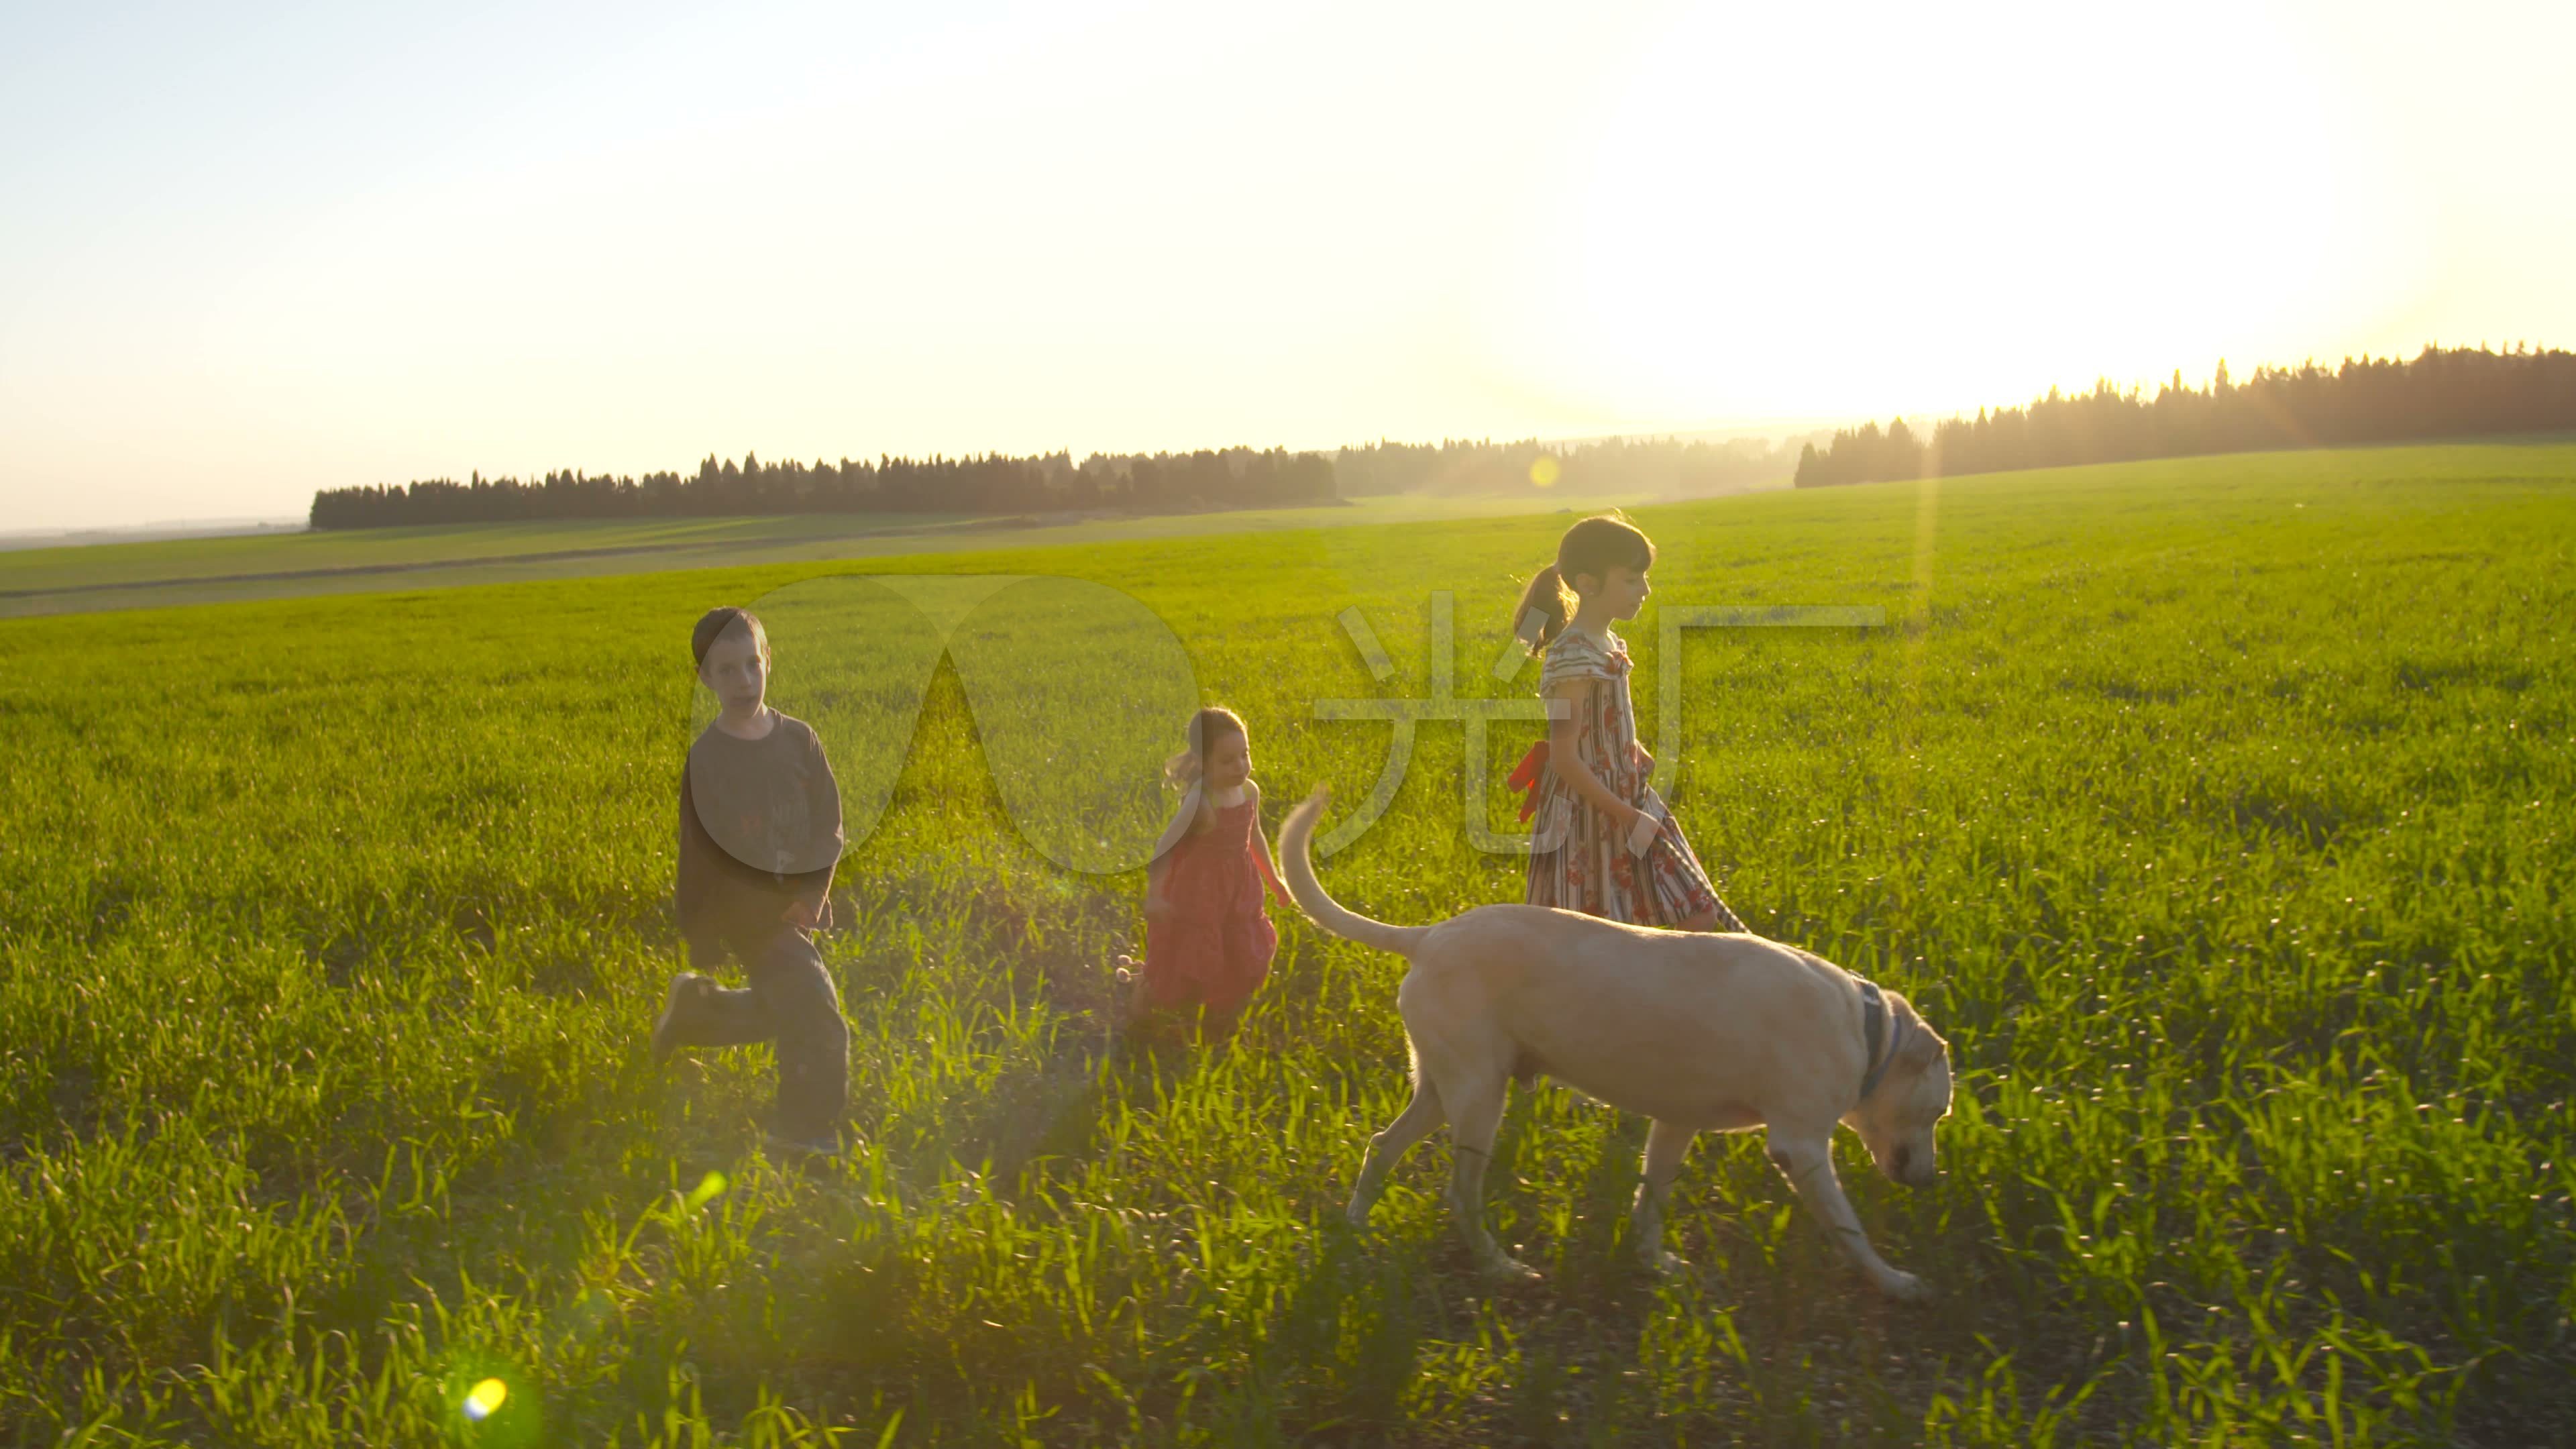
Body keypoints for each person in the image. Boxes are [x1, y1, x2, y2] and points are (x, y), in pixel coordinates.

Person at [651, 606, 852, 1159]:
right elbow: (696, 855)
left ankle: (696, 1014)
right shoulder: (707, 761)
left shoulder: (800, 741)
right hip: (749, 915)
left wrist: (813, 895)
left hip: (796, 907)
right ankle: (803, 1132)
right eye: (726, 670)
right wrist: (703, 934)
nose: (742, 681)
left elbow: (828, 827)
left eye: (751, 665)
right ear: (705, 678)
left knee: (783, 1005)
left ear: (768, 663)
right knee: (818, 1013)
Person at [1506, 513, 1746, 932]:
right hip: (1590, 815)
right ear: (1588, 583)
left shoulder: (1607, 642)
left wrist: (1633, 752)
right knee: (1608, 934)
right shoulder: (1572, 657)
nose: (1647, 590)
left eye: (1645, 578)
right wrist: (1627, 816)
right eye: (1633, 580)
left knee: (1692, 912)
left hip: (1625, 793)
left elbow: (1600, 727)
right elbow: (1564, 759)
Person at [1114, 706, 1294, 1038]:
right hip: (1200, 890)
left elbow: (1254, 836)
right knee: (1189, 952)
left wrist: (1274, 880)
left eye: (1245, 754)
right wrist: (1154, 896)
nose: (1240, 766)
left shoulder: (1250, 791)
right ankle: (1146, 993)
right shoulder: (1200, 802)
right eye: (1227, 760)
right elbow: (1164, 848)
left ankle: (1220, 1010)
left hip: (1240, 886)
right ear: (1203, 762)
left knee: (1239, 944)